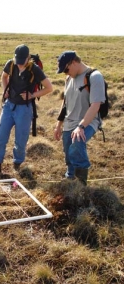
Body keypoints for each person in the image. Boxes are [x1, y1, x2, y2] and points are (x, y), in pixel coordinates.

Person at [0, 44, 53, 175]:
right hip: (9, 106)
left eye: (22, 62)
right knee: (0, 136)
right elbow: (3, 76)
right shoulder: (10, 64)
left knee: (21, 140)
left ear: (28, 58)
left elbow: (49, 88)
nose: (20, 65)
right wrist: (5, 89)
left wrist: (32, 95)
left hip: (24, 109)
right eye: (18, 62)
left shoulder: (35, 69)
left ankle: (17, 165)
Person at [54, 51, 106, 185]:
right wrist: (59, 125)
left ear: (74, 62)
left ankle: (81, 185)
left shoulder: (95, 77)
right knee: (68, 151)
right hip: (70, 122)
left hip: (88, 121)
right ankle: (70, 179)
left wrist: (81, 126)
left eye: (66, 69)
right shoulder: (68, 79)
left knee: (76, 143)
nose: (66, 73)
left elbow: (95, 106)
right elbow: (65, 103)